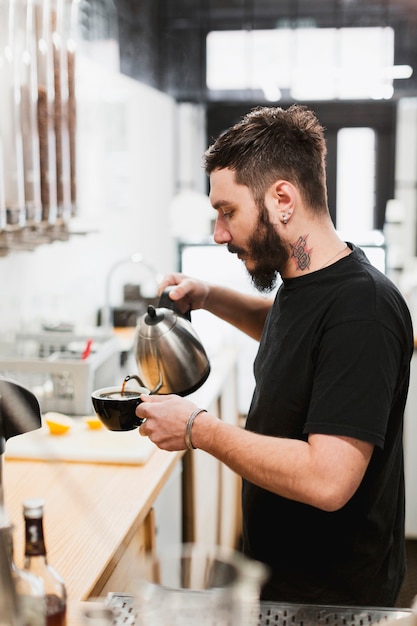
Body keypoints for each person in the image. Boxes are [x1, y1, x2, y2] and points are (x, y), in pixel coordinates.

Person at [136, 104, 414, 607]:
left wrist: (200, 428)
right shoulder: (309, 282)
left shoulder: (364, 310)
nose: (220, 234)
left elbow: (328, 479)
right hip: (285, 585)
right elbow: (293, 334)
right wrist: (209, 295)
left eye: (228, 212)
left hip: (334, 604)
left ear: (281, 198)